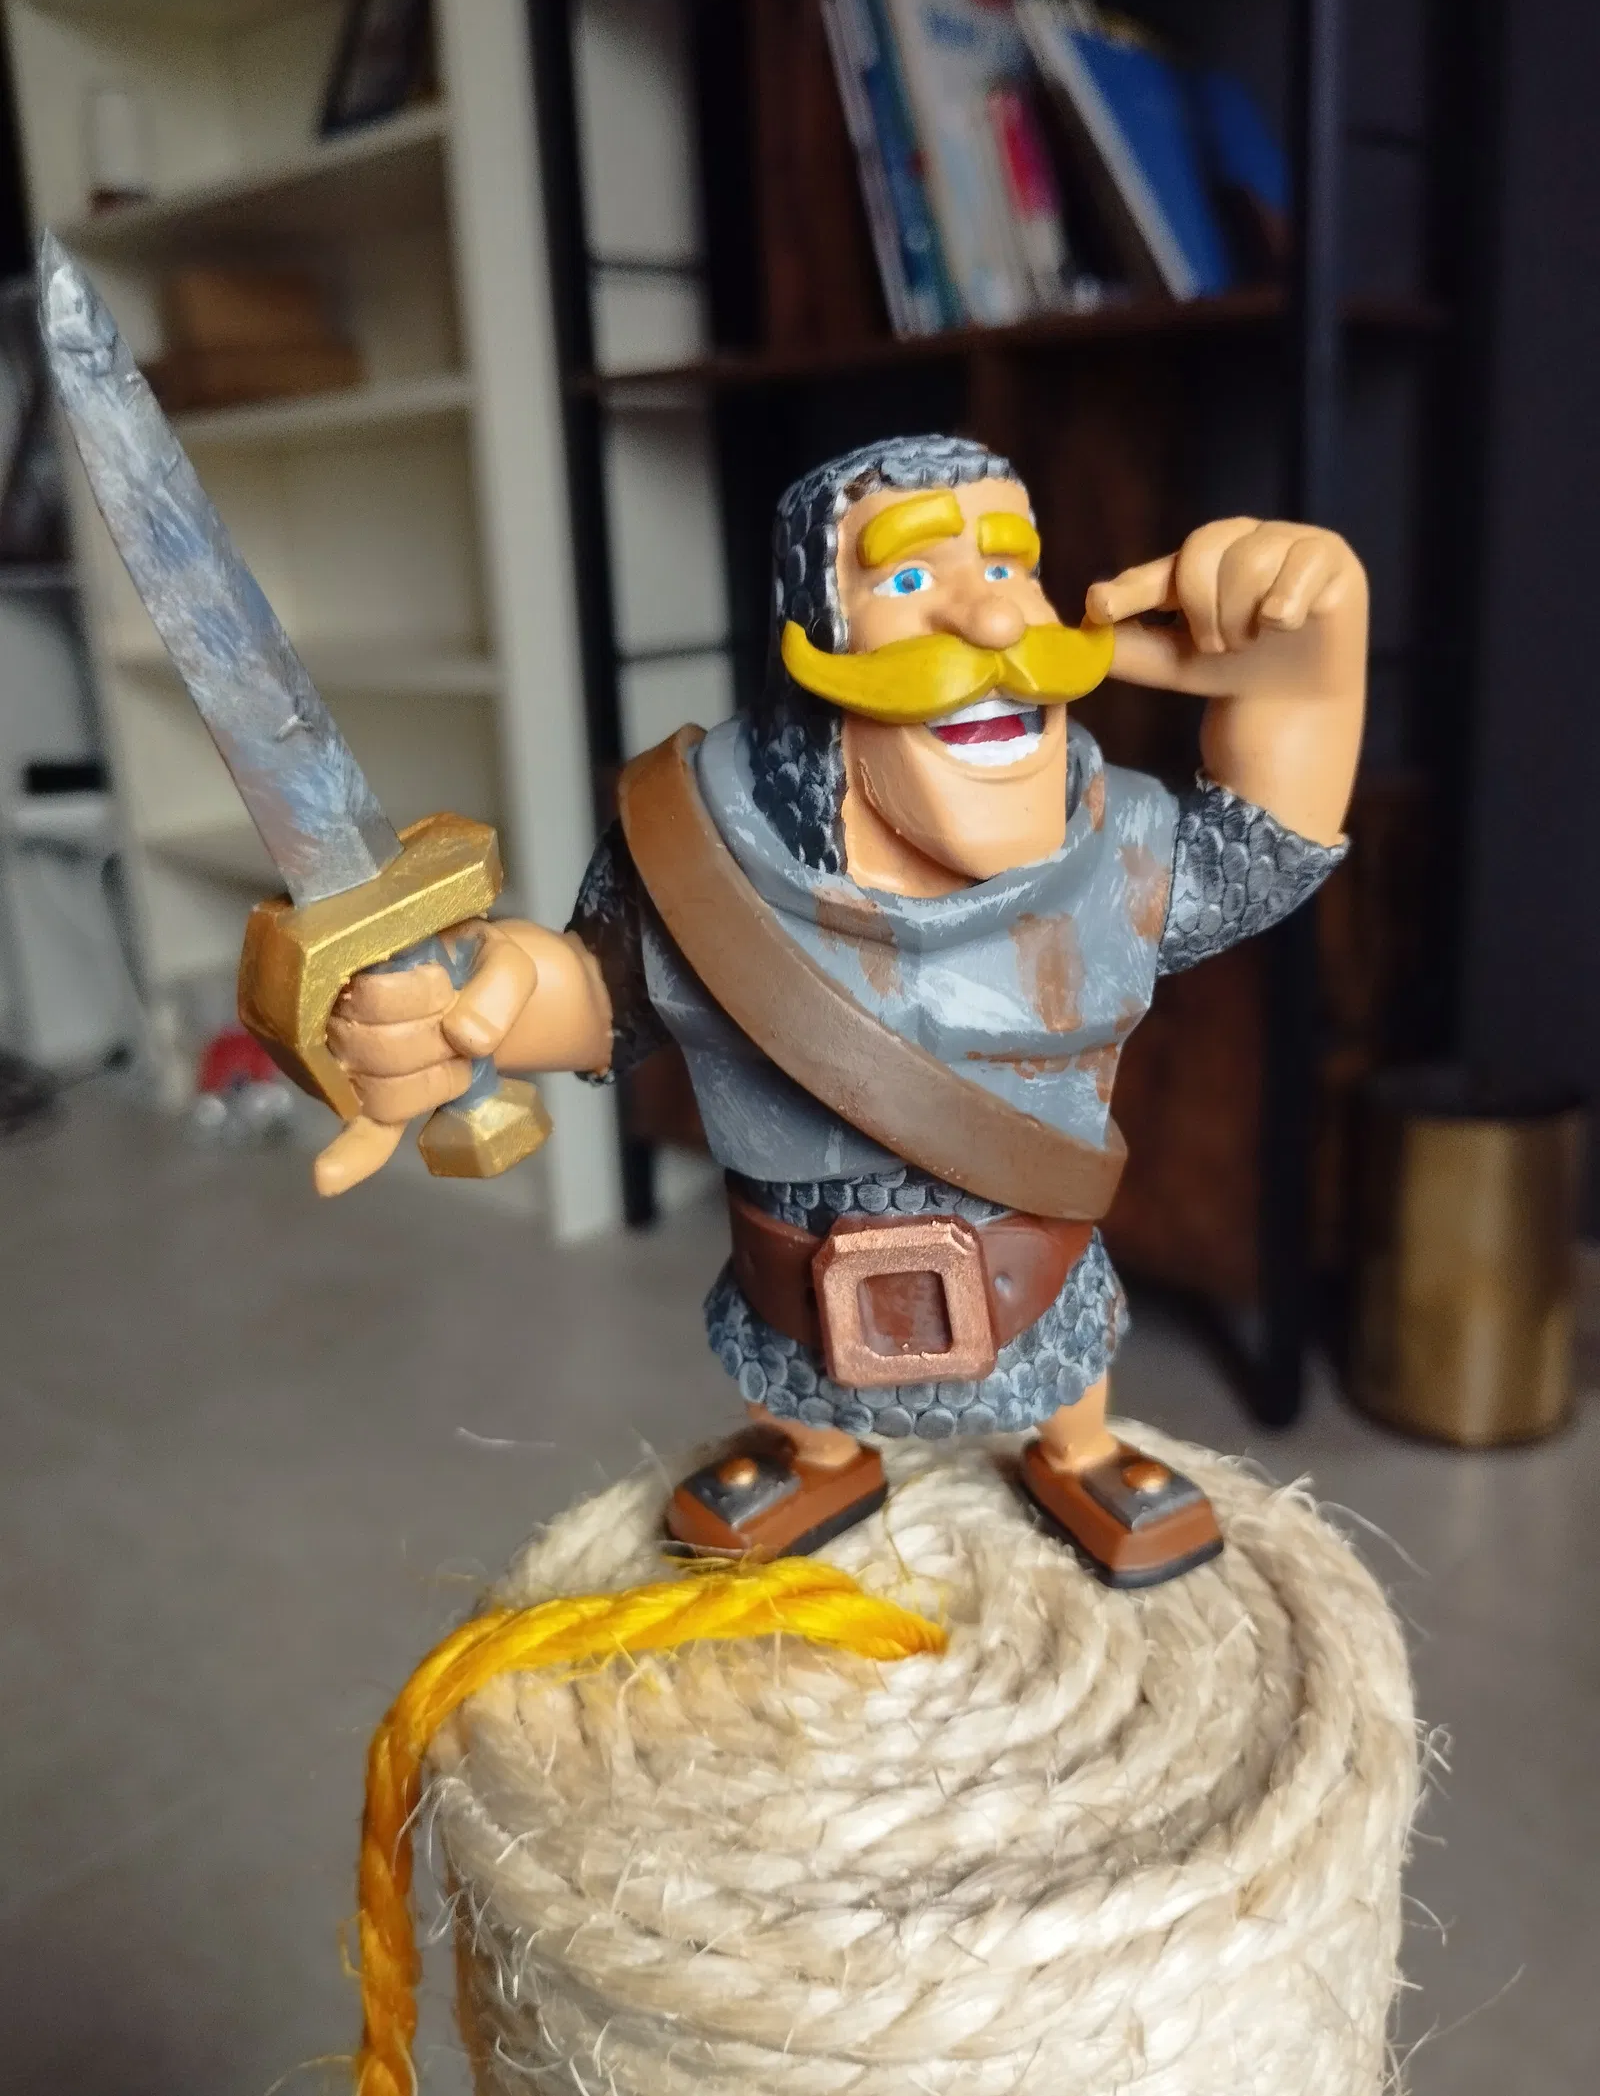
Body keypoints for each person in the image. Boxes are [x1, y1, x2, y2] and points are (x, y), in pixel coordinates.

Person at [297, 435, 1365, 1584]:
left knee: (1062, 1366)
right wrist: (482, 998)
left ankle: (1079, 1448)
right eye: (906, 577)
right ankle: (815, 1455)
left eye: (1007, 566)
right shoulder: (699, 846)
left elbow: (1259, 851)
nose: (991, 618)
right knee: (798, 1381)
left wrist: (1307, 692)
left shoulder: (1113, 842)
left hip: (1035, 1272)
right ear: (814, 628)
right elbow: (604, 993)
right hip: (802, 1284)